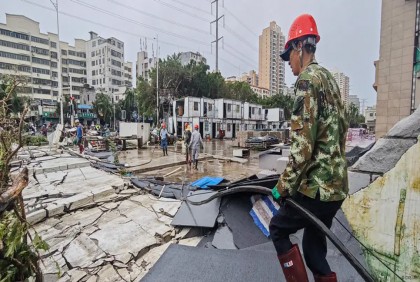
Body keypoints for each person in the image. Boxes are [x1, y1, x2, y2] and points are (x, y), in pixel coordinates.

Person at [269, 14, 349, 282]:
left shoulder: (305, 81)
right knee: (314, 252)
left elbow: (302, 149)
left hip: (317, 188)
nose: (288, 63)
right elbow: (342, 132)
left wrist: (283, 188)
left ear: (299, 47)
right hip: (336, 187)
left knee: (278, 228)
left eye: (288, 55)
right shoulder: (330, 80)